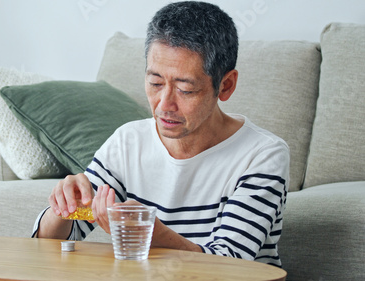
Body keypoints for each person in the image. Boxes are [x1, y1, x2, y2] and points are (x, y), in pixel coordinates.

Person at [32, 1, 289, 267]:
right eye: (155, 83)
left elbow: (229, 264)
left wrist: (148, 232)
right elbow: (50, 244)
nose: (164, 105)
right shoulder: (128, 142)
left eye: (185, 89)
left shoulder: (262, 154)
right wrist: (62, 209)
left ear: (225, 85)